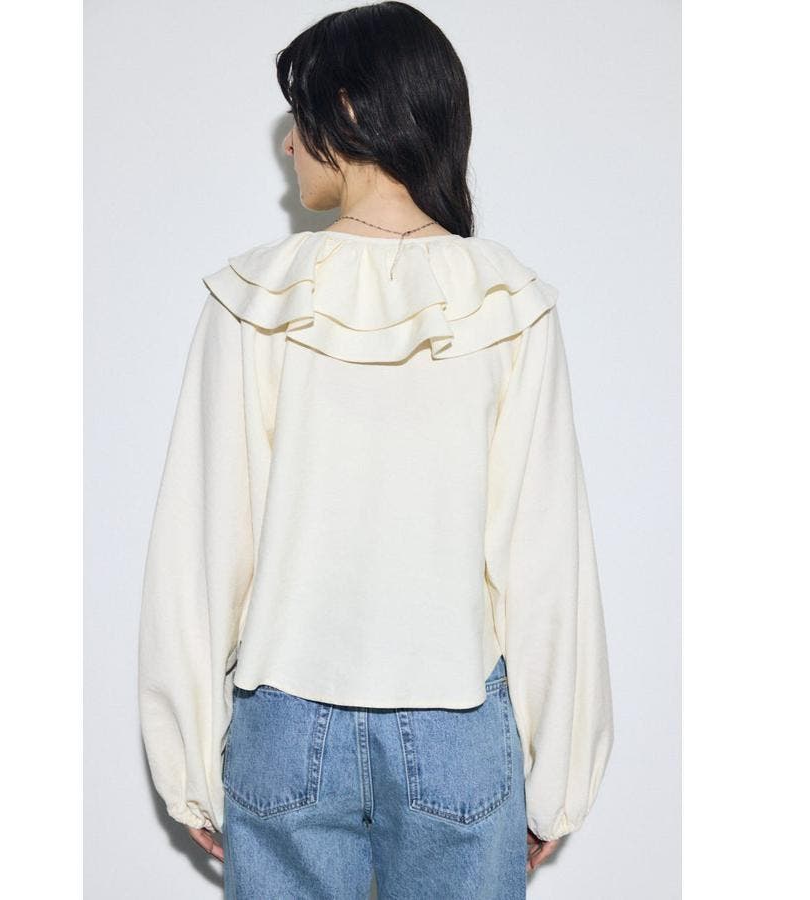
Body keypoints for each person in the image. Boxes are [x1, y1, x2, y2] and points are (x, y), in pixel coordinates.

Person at [137, 2, 614, 897]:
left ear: (350, 109)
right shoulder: (508, 301)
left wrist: (187, 760)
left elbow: (202, 545)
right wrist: (559, 782)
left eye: (301, 115)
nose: (289, 143)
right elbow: (545, 557)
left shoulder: (255, 296)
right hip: (455, 724)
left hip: (283, 726)